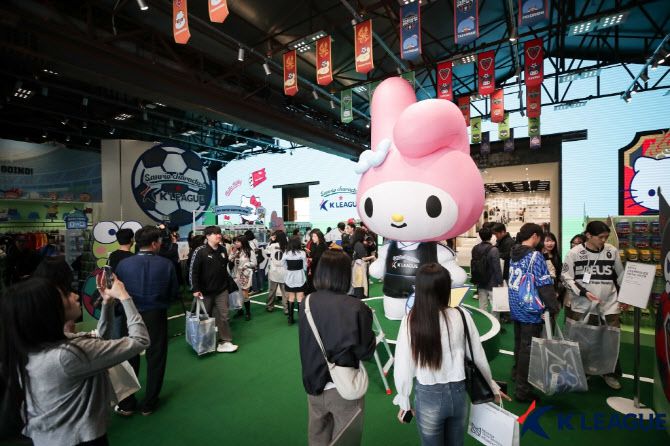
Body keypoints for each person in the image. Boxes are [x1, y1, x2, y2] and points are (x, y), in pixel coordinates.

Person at [0, 275, 149, 446]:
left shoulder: (36, 348)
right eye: (65, 295)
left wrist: (107, 302)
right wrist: (124, 296)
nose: (75, 295)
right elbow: (140, 340)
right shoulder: (66, 356)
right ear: (48, 310)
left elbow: (99, 341)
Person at [393, 263, 506, 446]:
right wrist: (491, 386)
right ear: (447, 287)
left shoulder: (411, 320)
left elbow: (403, 365)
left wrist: (404, 400)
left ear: (419, 289)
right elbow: (477, 356)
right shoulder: (461, 315)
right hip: (459, 393)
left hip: (428, 395)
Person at [298, 250, 376, 446]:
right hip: (344, 387)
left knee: (317, 437)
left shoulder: (306, 302)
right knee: (345, 439)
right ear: (345, 274)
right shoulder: (357, 307)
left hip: (313, 384)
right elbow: (366, 352)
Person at [114, 225, 178, 416]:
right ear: (154, 243)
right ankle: (149, 403)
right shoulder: (166, 264)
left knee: (129, 356)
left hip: (129, 313)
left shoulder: (123, 265)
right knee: (156, 356)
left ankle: (127, 403)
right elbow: (173, 293)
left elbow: (117, 290)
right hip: (156, 314)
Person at [561, 220, 624, 390]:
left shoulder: (612, 251)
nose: (604, 241)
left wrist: (625, 297)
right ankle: (583, 371)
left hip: (609, 305)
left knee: (610, 339)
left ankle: (609, 372)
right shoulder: (574, 253)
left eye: (606, 237)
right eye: (600, 237)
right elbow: (566, 277)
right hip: (583, 306)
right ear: (588, 235)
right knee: (583, 340)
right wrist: (583, 292)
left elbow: (621, 275)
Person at [508, 223, 560, 402]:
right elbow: (544, 284)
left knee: (519, 345)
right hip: (531, 309)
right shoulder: (535, 256)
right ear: (535, 236)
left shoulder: (513, 252)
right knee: (528, 350)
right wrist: (553, 306)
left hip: (516, 305)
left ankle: (517, 373)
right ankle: (523, 390)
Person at [189, 226, 239, 353]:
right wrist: (195, 289)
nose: (219, 235)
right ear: (207, 236)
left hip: (221, 290)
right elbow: (193, 271)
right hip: (204, 292)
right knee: (204, 318)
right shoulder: (200, 251)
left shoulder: (223, 249)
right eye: (215, 234)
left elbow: (225, 268)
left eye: (219, 233)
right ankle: (204, 343)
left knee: (224, 316)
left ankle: (225, 342)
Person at [470, 227, 503, 320]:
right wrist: (500, 281)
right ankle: (495, 322)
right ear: (491, 236)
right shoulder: (494, 250)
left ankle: (484, 321)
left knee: (482, 303)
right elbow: (497, 267)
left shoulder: (475, 248)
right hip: (492, 280)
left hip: (480, 279)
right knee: (494, 304)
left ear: (480, 236)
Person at [230, 235, 257, 321]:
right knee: (237, 293)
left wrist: (246, 265)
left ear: (243, 242)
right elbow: (230, 259)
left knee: (245, 293)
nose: (236, 243)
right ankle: (240, 310)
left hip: (245, 274)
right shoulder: (236, 251)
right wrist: (233, 253)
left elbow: (254, 263)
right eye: (235, 242)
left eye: (238, 241)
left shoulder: (249, 251)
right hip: (236, 274)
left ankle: (248, 312)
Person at [283, 236, 307, 325]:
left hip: (289, 277)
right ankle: (301, 319)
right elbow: (305, 266)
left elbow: (284, 265)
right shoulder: (302, 253)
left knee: (291, 297)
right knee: (300, 298)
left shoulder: (286, 253)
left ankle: (290, 318)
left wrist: (289, 269)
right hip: (300, 276)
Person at [264, 230, 288, 313]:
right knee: (285, 292)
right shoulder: (287, 246)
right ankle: (286, 308)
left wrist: (271, 241)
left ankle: (270, 306)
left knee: (272, 291)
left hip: (274, 271)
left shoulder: (272, 245)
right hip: (284, 271)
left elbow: (266, 252)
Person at [351, 228, 375, 298]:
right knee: (360, 283)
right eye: (364, 234)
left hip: (358, 266)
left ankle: (361, 297)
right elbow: (364, 258)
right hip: (359, 267)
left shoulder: (358, 243)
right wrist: (372, 257)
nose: (365, 236)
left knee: (359, 283)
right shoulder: (359, 244)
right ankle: (361, 298)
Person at [307, 229, 327, 294]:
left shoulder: (322, 245)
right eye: (312, 236)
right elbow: (314, 256)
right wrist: (309, 254)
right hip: (315, 268)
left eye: (315, 236)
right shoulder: (314, 244)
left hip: (320, 268)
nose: (313, 238)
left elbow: (317, 258)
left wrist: (310, 259)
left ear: (319, 237)